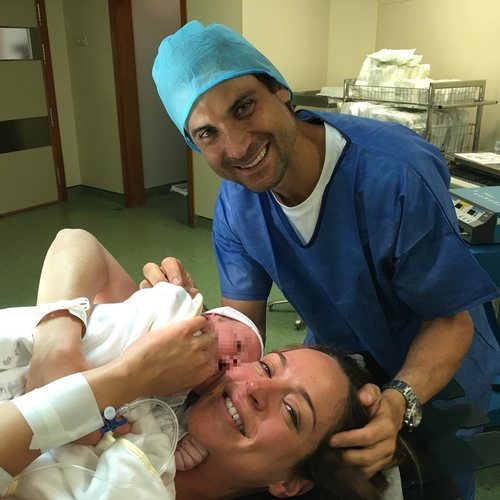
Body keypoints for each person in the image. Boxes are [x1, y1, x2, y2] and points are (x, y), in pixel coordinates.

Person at [148, 20, 500, 498]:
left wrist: (401, 400)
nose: (236, 146)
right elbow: (242, 340)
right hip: (330, 378)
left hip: (440, 371)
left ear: (281, 92)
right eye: (208, 133)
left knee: (434, 479)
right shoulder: (237, 206)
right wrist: (179, 319)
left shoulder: (394, 175)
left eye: (244, 106)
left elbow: (450, 320)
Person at [0, 231, 404, 498]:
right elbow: (74, 242)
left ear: (289, 482)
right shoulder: (162, 389)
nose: (253, 386)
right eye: (266, 367)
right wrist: (57, 338)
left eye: (291, 411)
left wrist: (123, 380)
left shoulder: (144, 470)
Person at [0, 228, 263, 471]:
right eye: (235, 347)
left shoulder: (179, 411)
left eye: (236, 370)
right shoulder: (172, 314)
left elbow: (159, 438)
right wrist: (56, 348)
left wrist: (193, 445)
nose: (229, 365)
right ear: (206, 318)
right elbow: (74, 240)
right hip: (25, 351)